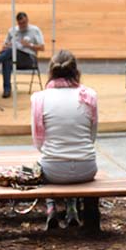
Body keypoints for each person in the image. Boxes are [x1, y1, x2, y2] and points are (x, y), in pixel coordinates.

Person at [31, 49, 98, 230]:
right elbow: (92, 137)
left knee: (41, 164)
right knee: (71, 154)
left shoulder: (39, 98)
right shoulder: (90, 95)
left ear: (51, 72)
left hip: (54, 170)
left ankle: (51, 207)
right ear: (76, 71)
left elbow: (38, 143)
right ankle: (71, 208)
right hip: (87, 168)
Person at [0, 12, 45, 98]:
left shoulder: (35, 30)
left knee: (11, 52)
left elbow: (42, 48)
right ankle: (7, 90)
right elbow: (4, 45)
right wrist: (6, 47)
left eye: (25, 22)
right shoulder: (12, 30)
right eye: (21, 23)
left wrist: (29, 45)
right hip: (13, 55)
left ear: (27, 20)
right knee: (7, 58)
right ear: (17, 22)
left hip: (29, 58)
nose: (23, 25)